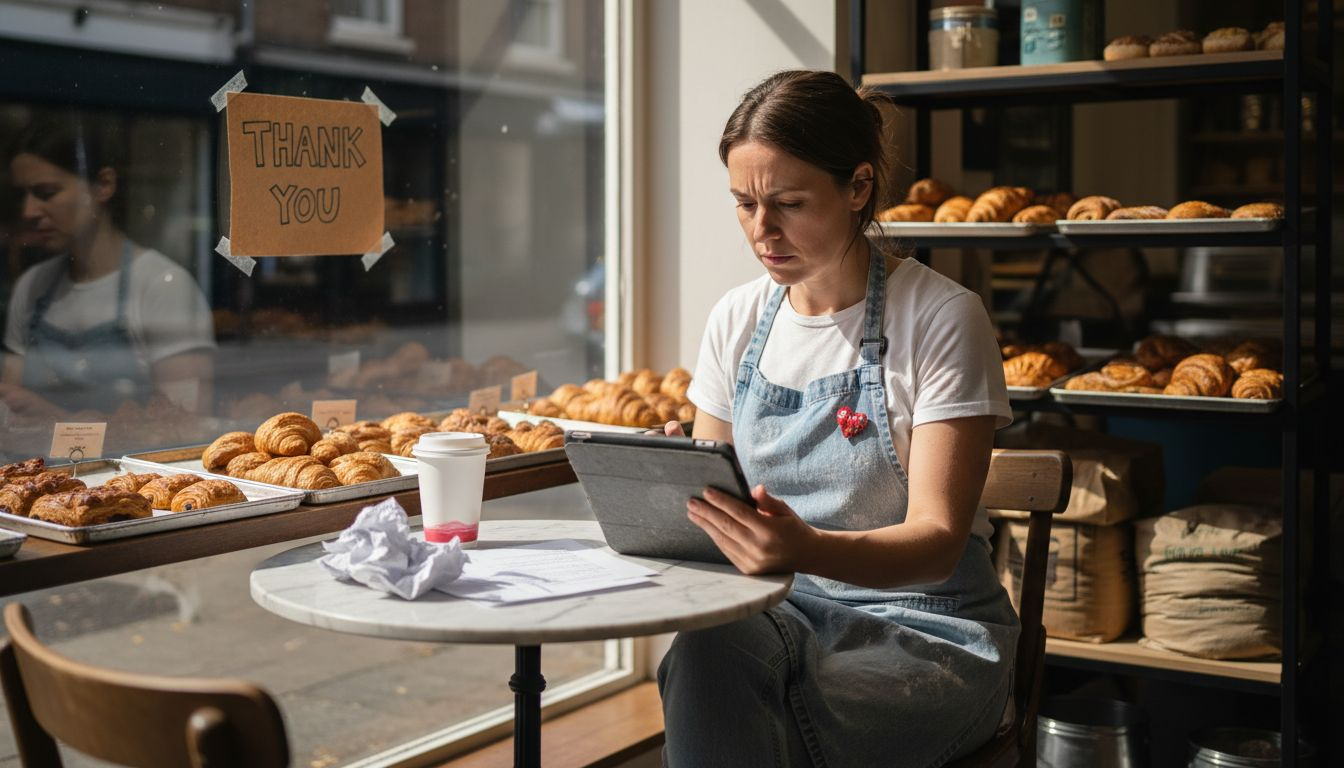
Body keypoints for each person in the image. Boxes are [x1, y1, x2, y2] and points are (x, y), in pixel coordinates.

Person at [656, 70, 1016, 766]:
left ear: (858, 187)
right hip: (781, 612)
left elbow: (940, 542)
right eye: (744, 204)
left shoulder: (941, 318)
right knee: (708, 652)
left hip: (926, 632)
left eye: (788, 202)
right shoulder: (738, 317)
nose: (762, 231)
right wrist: (681, 491)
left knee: (745, 713)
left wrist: (804, 548)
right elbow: (718, 525)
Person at [1, 111, 215, 420]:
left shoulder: (162, 286)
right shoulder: (32, 286)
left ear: (103, 185)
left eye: (46, 193)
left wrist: (55, 419)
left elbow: (186, 425)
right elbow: (9, 412)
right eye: (22, 195)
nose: (30, 211)